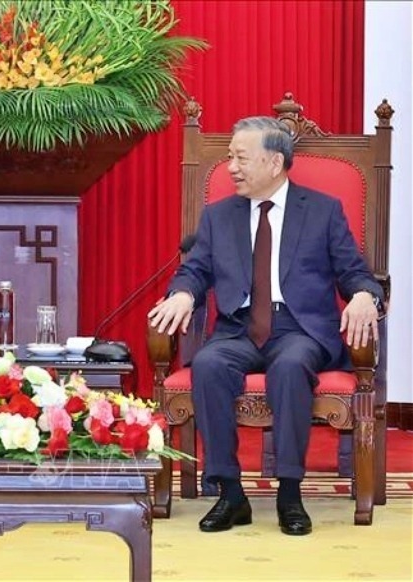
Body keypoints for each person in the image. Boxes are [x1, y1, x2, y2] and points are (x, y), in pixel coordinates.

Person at [147, 116, 382, 536]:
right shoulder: (219, 216)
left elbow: (355, 273)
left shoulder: (323, 211)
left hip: (299, 329)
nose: (231, 167)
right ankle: (230, 493)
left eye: (241, 158)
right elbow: (195, 271)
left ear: (274, 162)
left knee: (291, 366)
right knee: (209, 365)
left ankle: (289, 493)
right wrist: (182, 293)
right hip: (238, 329)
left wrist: (365, 295)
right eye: (230, 157)